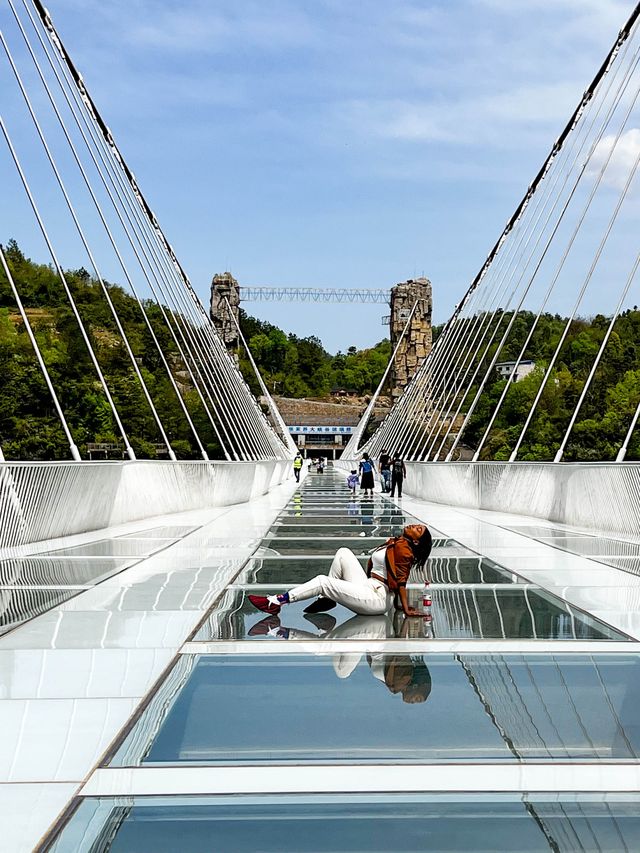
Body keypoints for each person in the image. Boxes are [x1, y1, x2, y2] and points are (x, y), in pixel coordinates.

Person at [249, 523, 432, 619]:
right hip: (369, 586)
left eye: (418, 529)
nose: (413, 526)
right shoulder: (399, 543)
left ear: (416, 541)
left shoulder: (405, 550)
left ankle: (276, 602)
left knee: (322, 581)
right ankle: (326, 600)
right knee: (343, 552)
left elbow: (401, 580)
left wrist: (405, 608)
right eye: (416, 525)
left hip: (376, 598)